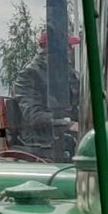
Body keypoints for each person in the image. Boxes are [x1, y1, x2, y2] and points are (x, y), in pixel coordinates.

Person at [13, 32, 81, 161]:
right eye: (67, 47)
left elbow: (80, 103)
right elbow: (33, 116)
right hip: (42, 140)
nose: (70, 52)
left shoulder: (69, 74)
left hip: (66, 136)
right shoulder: (29, 75)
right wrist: (68, 124)